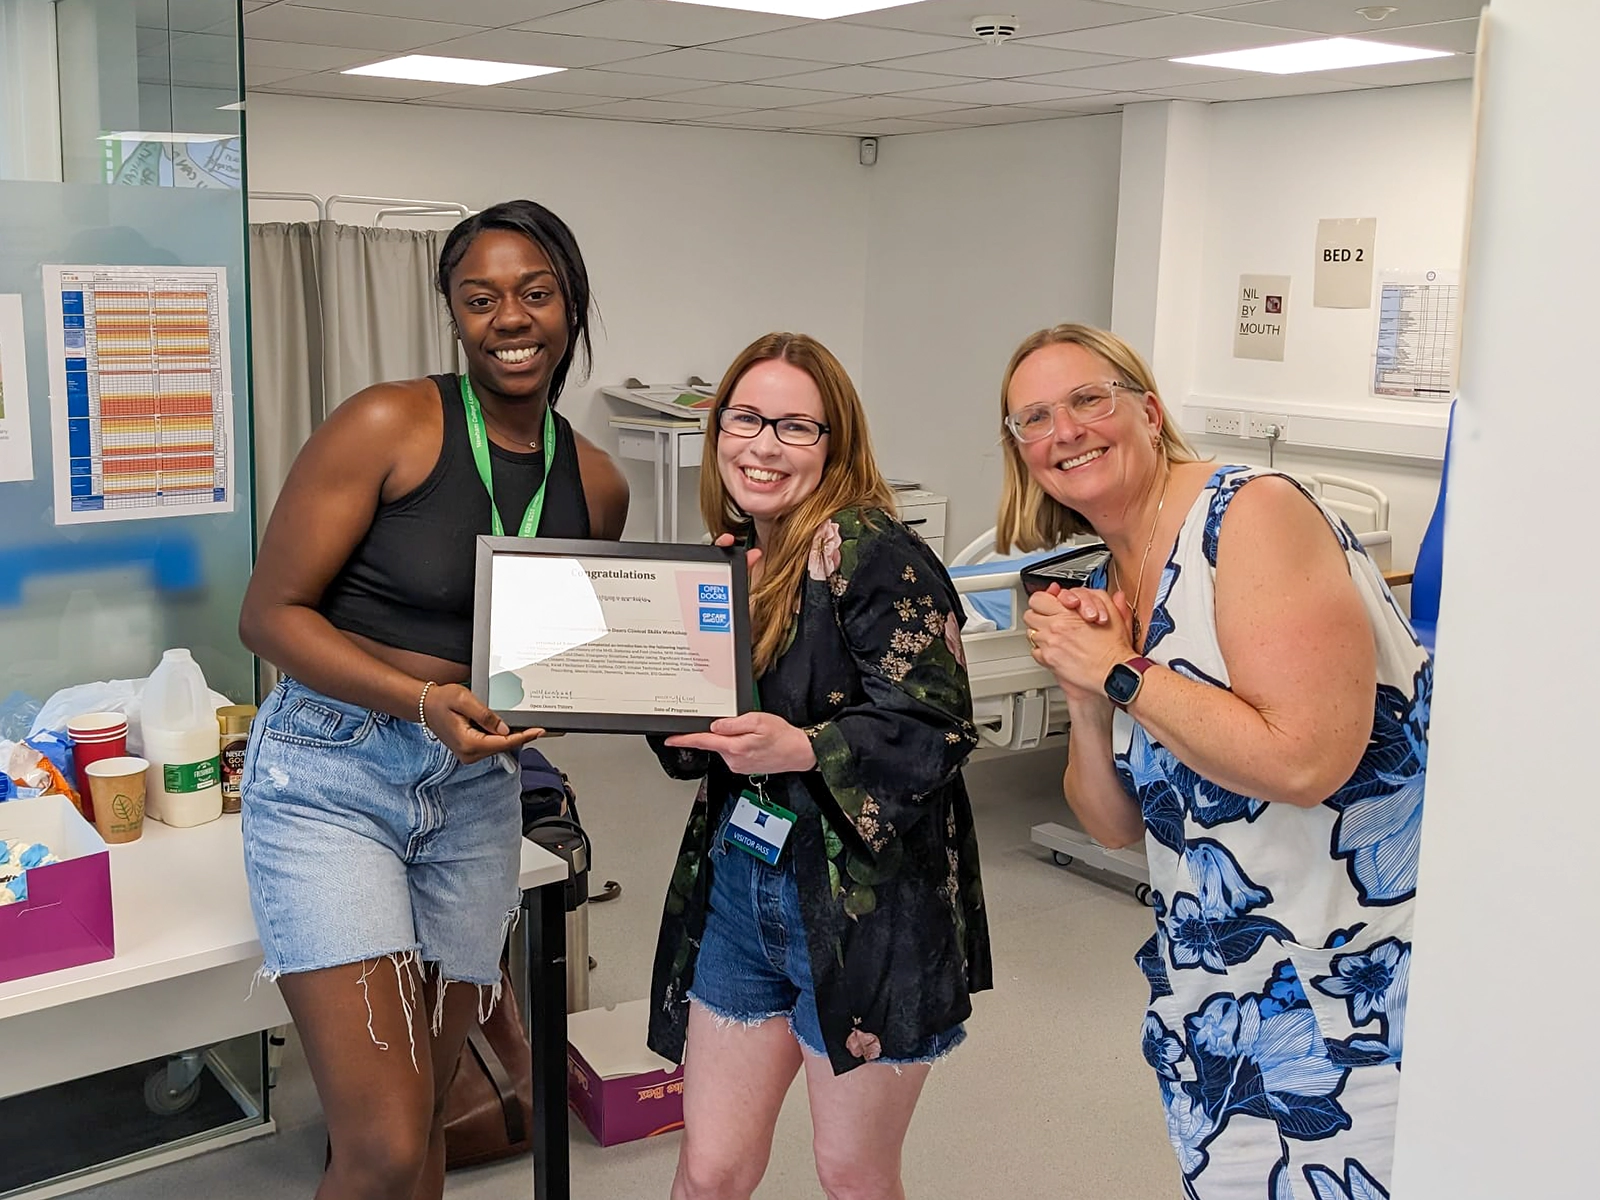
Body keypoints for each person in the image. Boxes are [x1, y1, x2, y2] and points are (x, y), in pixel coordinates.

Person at [237, 199, 627, 1200]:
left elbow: (557, 660)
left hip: (476, 791)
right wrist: (423, 700)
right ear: (452, 314)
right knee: (378, 1141)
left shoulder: (596, 482)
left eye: (534, 293)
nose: (510, 317)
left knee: (430, 1109)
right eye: (481, 297)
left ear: (570, 305)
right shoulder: (388, 422)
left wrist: (682, 642)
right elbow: (270, 616)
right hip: (334, 771)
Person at [996, 324, 1428, 1199]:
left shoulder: (1251, 515)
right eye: (1033, 418)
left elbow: (1307, 763)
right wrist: (1087, 697)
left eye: (1089, 399)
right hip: (1225, 985)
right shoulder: (1119, 572)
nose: (1065, 430)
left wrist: (1122, 671)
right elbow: (1115, 826)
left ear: (1149, 412)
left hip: (1354, 974)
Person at [646, 332, 991, 1200]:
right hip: (743, 887)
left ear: (836, 444)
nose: (762, 445)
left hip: (862, 907)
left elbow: (940, 724)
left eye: (797, 427)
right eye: (746, 418)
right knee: (711, 1168)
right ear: (716, 427)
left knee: (852, 1175)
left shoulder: (869, 550)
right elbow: (701, 717)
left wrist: (802, 747)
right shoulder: (739, 553)